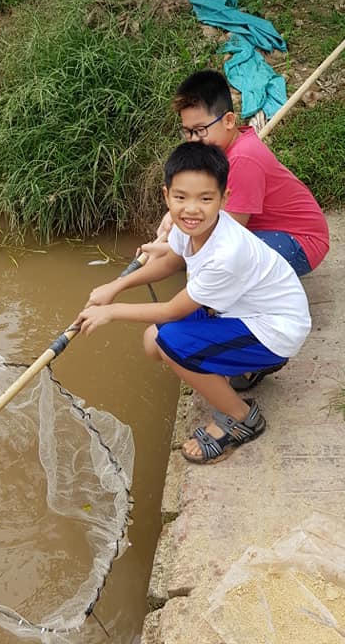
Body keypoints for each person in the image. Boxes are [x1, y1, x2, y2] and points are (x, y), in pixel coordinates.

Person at [74, 142, 311, 465]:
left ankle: (242, 418)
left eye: (205, 199)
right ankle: (249, 365)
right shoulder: (189, 227)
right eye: (181, 197)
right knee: (153, 341)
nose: (192, 209)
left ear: (224, 199)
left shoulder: (226, 253)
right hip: (243, 311)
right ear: (166, 195)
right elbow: (172, 260)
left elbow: (172, 310)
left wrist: (111, 311)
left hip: (277, 328)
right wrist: (116, 286)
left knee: (172, 343)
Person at [141, 69, 328, 391]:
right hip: (273, 231)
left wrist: (173, 247)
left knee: (220, 266)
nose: (194, 140)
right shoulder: (222, 152)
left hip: (300, 241)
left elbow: (219, 235)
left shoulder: (242, 160)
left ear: (228, 120)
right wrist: (172, 229)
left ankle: (247, 349)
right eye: (188, 132)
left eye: (201, 131)